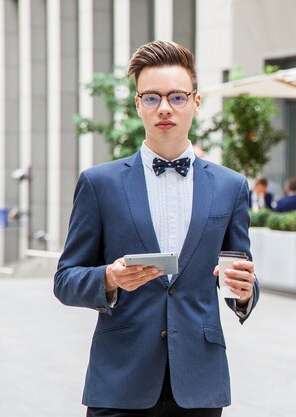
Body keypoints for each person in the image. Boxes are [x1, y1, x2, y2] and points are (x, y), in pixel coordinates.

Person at [54, 40, 259, 416]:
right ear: (138, 104)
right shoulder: (100, 184)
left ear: (196, 103)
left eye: (177, 97)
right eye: (151, 98)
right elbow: (65, 279)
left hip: (199, 382)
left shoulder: (231, 187)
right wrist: (110, 278)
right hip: (119, 380)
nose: (164, 107)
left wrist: (244, 293)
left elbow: (235, 274)